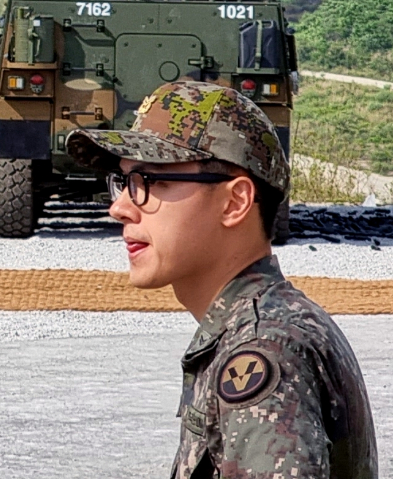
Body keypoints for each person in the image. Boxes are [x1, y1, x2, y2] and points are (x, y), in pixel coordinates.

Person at [69, 79, 376, 479]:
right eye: (123, 182)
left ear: (235, 202)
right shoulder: (258, 324)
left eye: (152, 181)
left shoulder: (266, 348)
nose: (120, 208)